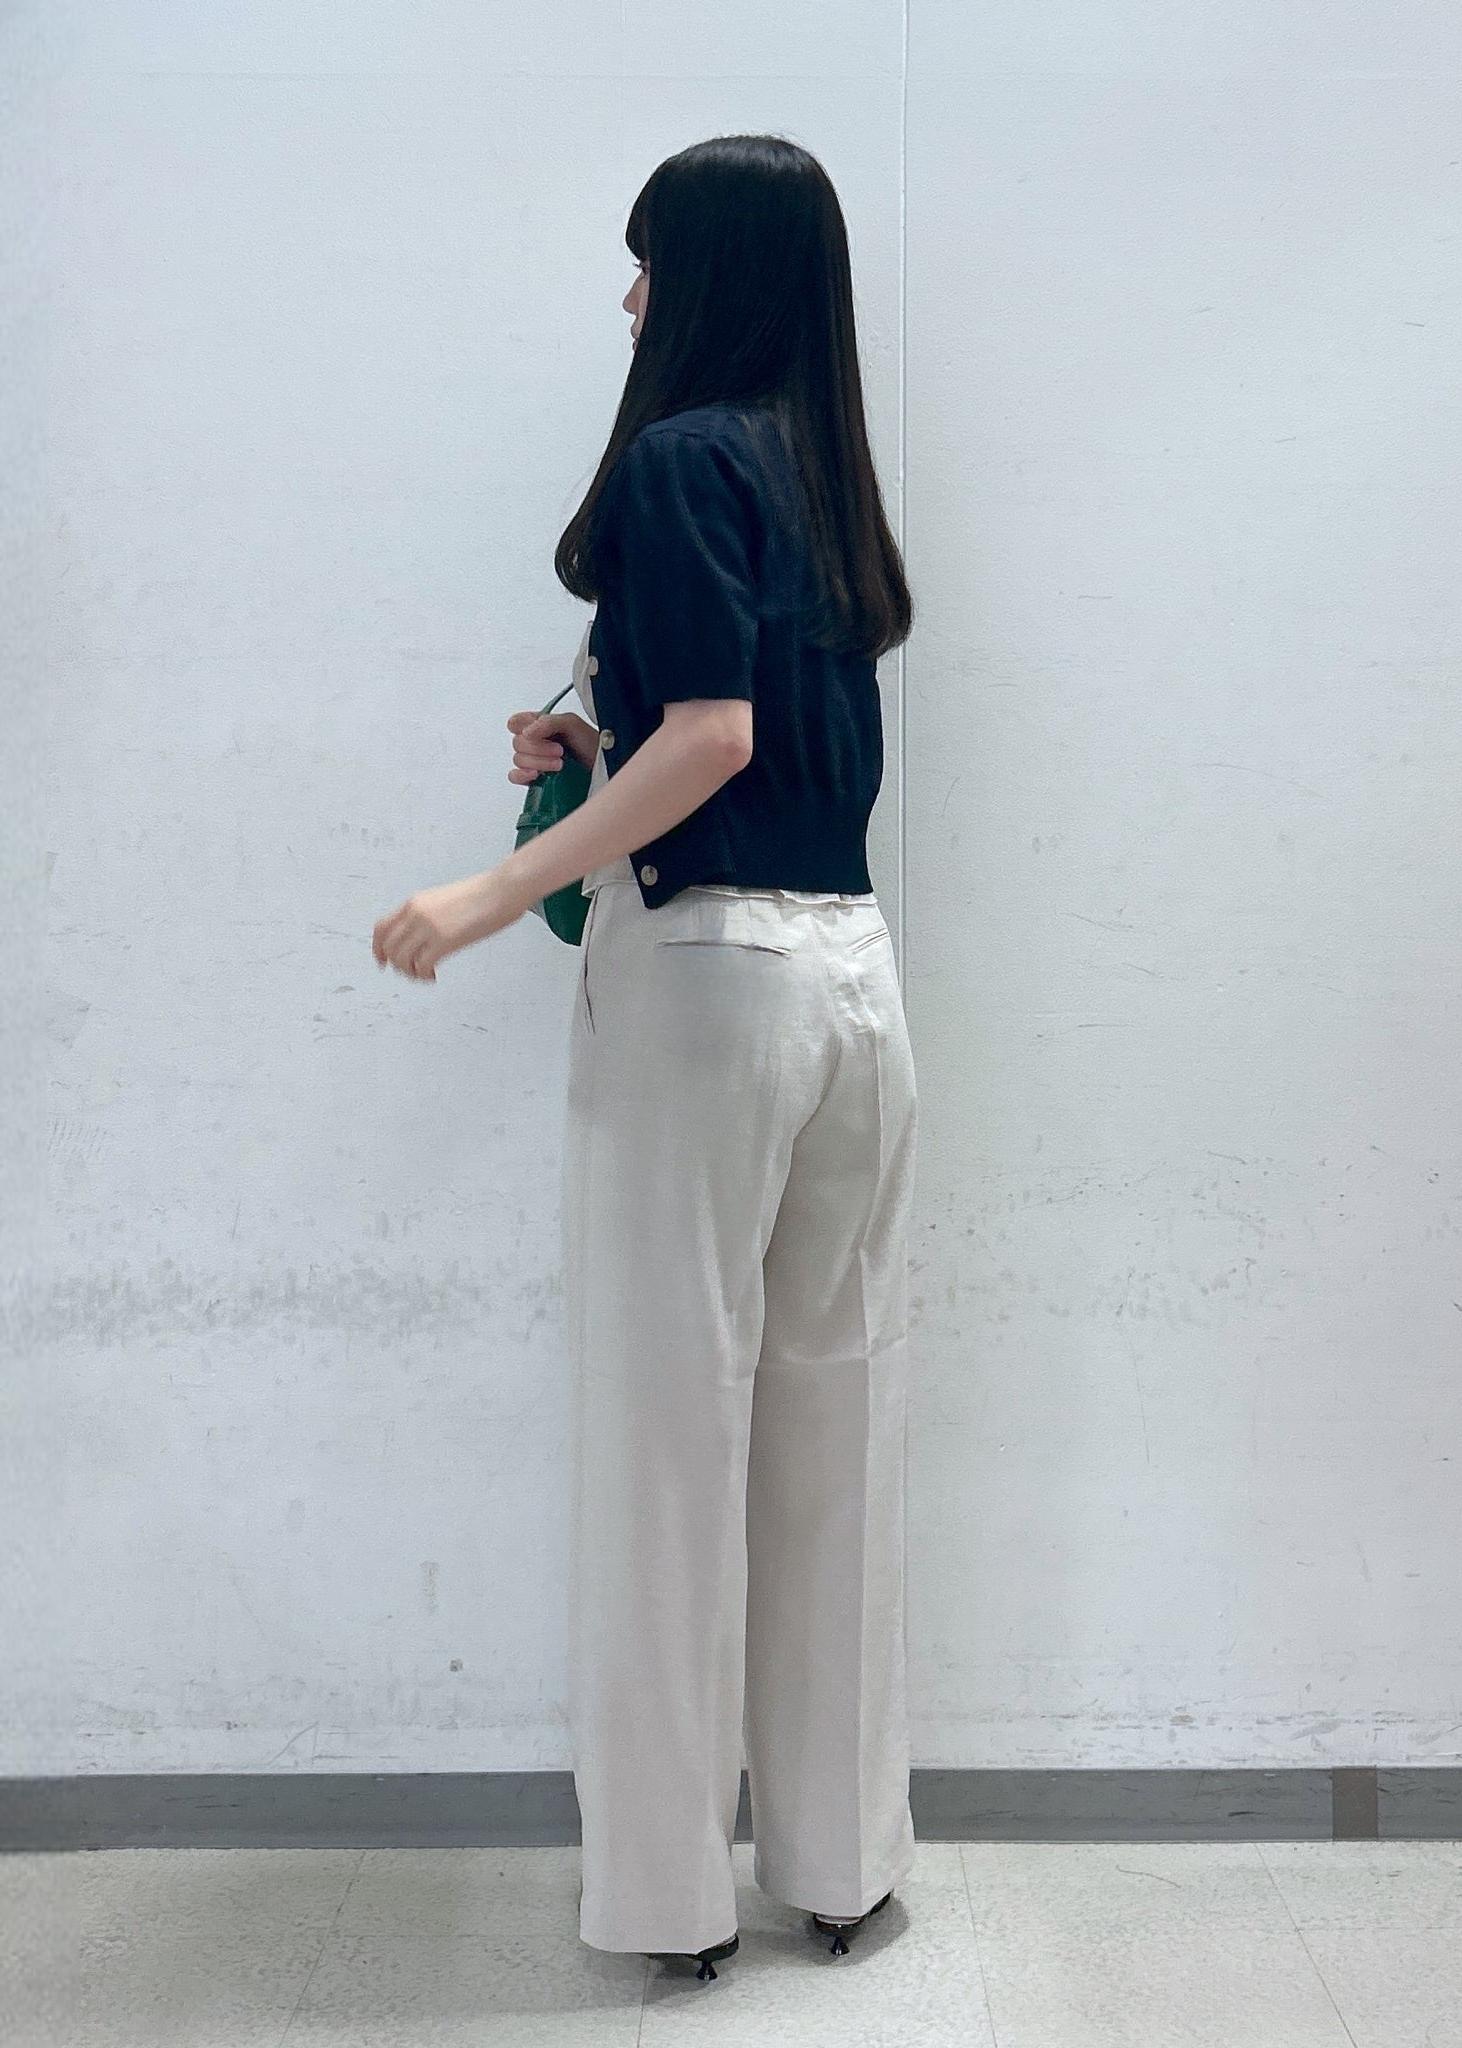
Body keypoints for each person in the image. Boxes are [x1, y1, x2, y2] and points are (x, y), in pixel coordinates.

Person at [372, 133, 917, 1982]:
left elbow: (708, 740)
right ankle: (839, 1865)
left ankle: (673, 1902)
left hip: (704, 988)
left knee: (666, 1435)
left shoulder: (683, 458)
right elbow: (747, 741)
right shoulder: (823, 476)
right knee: (836, 1414)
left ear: (707, 281)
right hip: (854, 980)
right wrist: (593, 752)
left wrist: (490, 887)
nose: (627, 301)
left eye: (646, 266)